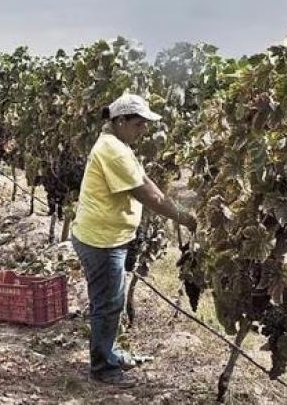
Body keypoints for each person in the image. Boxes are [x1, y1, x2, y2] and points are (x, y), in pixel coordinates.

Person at [70, 94, 197, 386]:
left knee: (109, 300)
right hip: (101, 241)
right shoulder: (113, 150)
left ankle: (109, 353)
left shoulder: (119, 145)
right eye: (139, 124)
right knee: (108, 303)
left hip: (105, 236)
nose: (144, 130)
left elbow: (144, 179)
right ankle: (103, 368)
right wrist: (184, 217)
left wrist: (176, 207)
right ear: (120, 121)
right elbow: (147, 195)